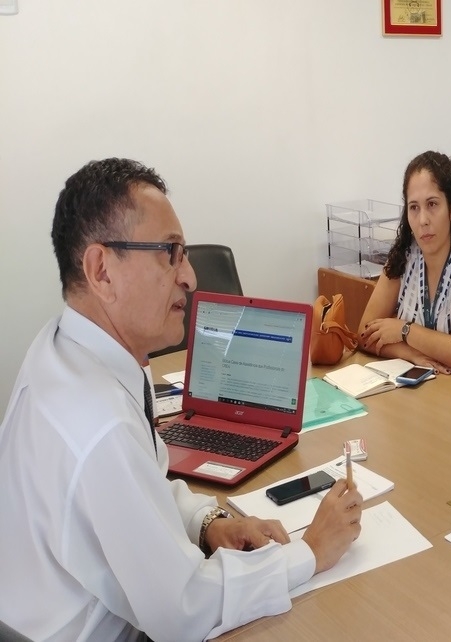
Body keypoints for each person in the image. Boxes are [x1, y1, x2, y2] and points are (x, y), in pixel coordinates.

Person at [0, 158, 363, 641]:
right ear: (101, 270)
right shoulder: (99, 425)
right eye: (169, 253)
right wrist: (310, 551)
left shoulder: (66, 350)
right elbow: (184, 610)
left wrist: (207, 522)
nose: (189, 276)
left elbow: (141, 485)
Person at [359, 150, 451, 374]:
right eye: (414, 207)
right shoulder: (403, 257)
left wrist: (403, 330)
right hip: (417, 387)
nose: (422, 220)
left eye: (432, 204)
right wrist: (410, 354)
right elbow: (364, 334)